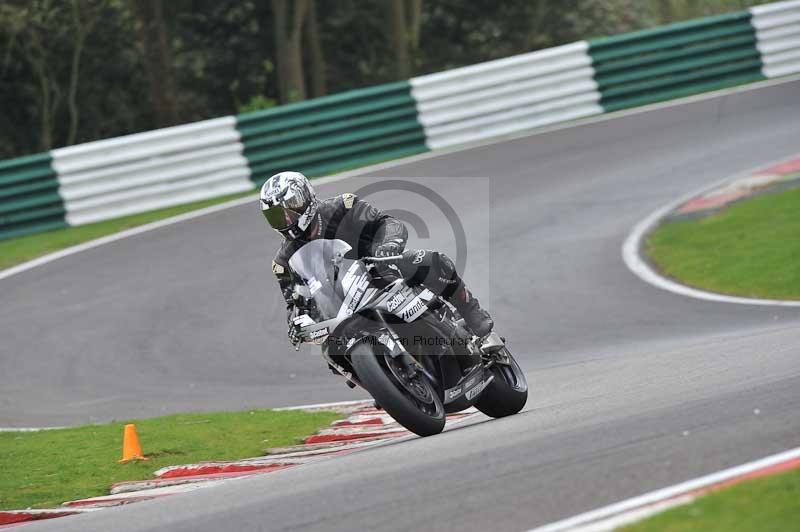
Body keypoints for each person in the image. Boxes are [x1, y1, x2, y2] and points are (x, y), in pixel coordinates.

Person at [261, 171, 493, 344]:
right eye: (276, 216)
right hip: (341, 308)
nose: (285, 220)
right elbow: (296, 300)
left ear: (304, 199)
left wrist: (387, 245)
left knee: (432, 261)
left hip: (381, 272)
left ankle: (472, 315)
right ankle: (387, 378)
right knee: (330, 347)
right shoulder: (284, 262)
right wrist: (298, 320)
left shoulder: (342, 207)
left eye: (288, 210)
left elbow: (387, 223)